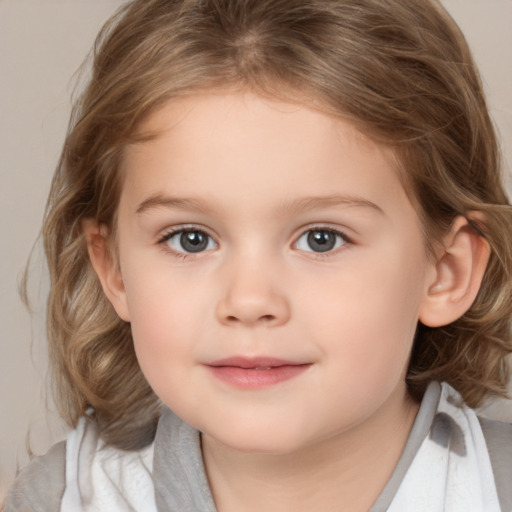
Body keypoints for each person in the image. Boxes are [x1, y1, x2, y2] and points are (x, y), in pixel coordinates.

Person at [5, 0, 512, 510]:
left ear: (446, 271)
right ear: (113, 269)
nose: (249, 301)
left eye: (321, 239)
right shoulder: (65, 498)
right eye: (190, 239)